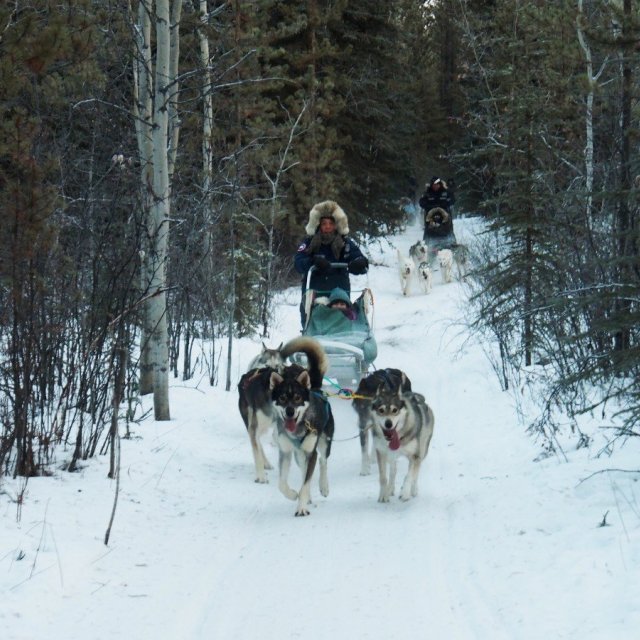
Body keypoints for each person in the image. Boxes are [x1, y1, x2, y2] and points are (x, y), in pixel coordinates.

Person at [294, 200, 368, 327]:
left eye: (331, 223)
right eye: (324, 223)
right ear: (318, 225)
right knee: (312, 325)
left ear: (336, 225)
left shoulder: (345, 244)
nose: (327, 227)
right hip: (314, 293)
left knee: (340, 325)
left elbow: (357, 258)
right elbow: (298, 263)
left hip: (339, 293)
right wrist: (313, 261)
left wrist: (359, 263)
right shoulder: (309, 243)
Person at [419, 176, 457, 250]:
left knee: (449, 231)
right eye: (434, 185)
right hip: (430, 219)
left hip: (445, 218)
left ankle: (452, 245)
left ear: (440, 184)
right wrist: (428, 205)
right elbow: (421, 202)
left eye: (437, 184)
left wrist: (446, 203)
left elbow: (452, 200)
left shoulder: (446, 192)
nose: (435, 186)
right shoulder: (427, 193)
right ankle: (426, 247)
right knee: (428, 231)